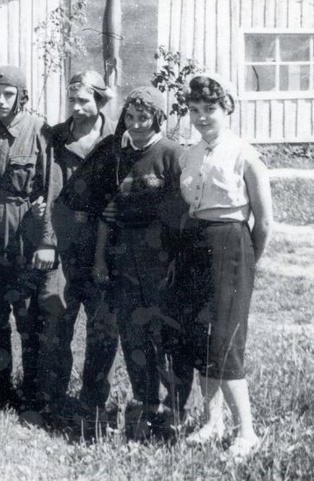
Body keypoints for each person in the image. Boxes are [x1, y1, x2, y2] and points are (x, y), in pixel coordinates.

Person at [173, 74, 272, 458]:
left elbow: (263, 222)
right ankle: (212, 423)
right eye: (194, 111)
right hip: (196, 243)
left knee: (226, 341)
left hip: (231, 246)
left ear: (227, 108)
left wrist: (245, 263)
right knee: (202, 335)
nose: (201, 117)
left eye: (209, 110)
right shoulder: (191, 153)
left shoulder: (244, 153)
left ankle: (246, 432)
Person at [89, 86, 193, 439]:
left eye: (143, 118)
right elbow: (107, 213)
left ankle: (177, 407)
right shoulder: (118, 158)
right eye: (130, 118)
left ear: (158, 118)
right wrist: (101, 259)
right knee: (134, 335)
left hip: (162, 261)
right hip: (124, 261)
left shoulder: (173, 154)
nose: (135, 125)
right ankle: (145, 403)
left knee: (168, 336)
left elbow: (186, 213)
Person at [0, 65, 64, 410]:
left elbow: (50, 188)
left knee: (27, 313)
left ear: (21, 96)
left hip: (23, 232)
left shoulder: (39, 131)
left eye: (9, 94)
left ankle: (33, 387)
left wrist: (46, 240)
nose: (2, 100)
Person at [49, 71, 120, 422]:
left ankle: (94, 399)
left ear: (100, 102)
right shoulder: (54, 137)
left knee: (103, 325)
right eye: (71, 101)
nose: (76, 108)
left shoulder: (116, 140)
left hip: (103, 246)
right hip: (63, 243)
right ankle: (56, 395)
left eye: (84, 101)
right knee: (58, 318)